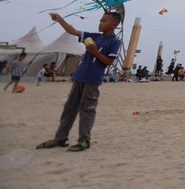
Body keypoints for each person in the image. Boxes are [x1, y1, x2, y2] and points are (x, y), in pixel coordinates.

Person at [37, 12, 122, 152]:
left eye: (104, 21)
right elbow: (73, 31)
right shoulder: (95, 36)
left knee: (87, 110)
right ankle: (60, 138)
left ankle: (84, 141)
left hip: (92, 80)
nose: (100, 23)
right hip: (79, 77)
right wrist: (60, 20)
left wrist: (94, 51)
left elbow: (109, 62)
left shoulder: (114, 41)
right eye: (100, 20)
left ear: (114, 24)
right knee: (69, 109)